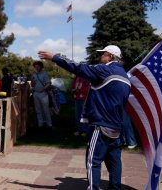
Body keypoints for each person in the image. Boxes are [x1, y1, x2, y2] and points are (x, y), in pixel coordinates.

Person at [38, 45, 130, 190]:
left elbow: (78, 67)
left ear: (111, 57)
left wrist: (55, 58)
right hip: (117, 127)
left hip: (101, 125)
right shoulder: (125, 76)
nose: (100, 57)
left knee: (93, 161)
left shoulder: (104, 70)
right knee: (115, 163)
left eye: (103, 55)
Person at [31, 61, 52, 128]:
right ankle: (41, 123)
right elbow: (32, 85)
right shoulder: (34, 74)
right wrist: (32, 81)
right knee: (38, 109)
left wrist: (43, 89)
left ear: (41, 66)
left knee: (46, 109)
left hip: (43, 94)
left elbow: (48, 83)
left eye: (38, 66)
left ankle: (49, 124)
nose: (36, 68)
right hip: (36, 93)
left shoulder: (45, 74)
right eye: (35, 66)